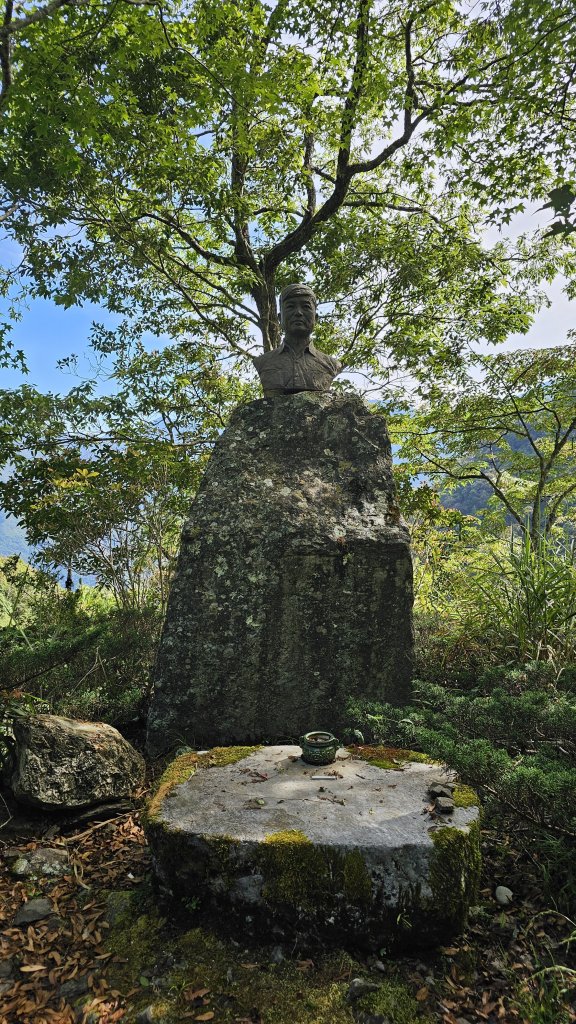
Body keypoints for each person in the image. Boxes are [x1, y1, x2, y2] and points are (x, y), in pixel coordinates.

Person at [253, 283, 341, 396]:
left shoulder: (330, 365)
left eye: (306, 307)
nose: (298, 313)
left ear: (316, 318)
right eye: (290, 306)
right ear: (280, 318)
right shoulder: (263, 362)